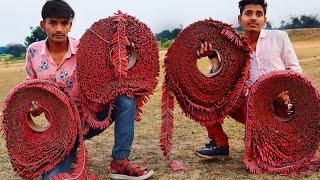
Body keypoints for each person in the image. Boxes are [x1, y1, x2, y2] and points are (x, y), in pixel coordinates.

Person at [26, 0, 154, 179]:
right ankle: (69, 152)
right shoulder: (32, 52)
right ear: (43, 25)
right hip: (61, 130)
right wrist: (34, 105)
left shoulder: (85, 48)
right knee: (52, 177)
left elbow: (112, 69)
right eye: (53, 23)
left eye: (64, 23)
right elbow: (29, 90)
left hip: (92, 119)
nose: (59, 28)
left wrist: (123, 42)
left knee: (126, 97)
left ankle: (119, 162)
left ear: (70, 26)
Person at [195, 0, 302, 159]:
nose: (253, 18)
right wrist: (212, 55)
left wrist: (288, 92)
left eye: (258, 14)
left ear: (264, 20)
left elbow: (295, 70)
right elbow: (221, 76)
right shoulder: (233, 47)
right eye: (248, 13)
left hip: (281, 105)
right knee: (209, 92)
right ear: (240, 19)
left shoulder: (279, 37)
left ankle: (273, 135)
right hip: (250, 106)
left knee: (270, 153)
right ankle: (219, 143)